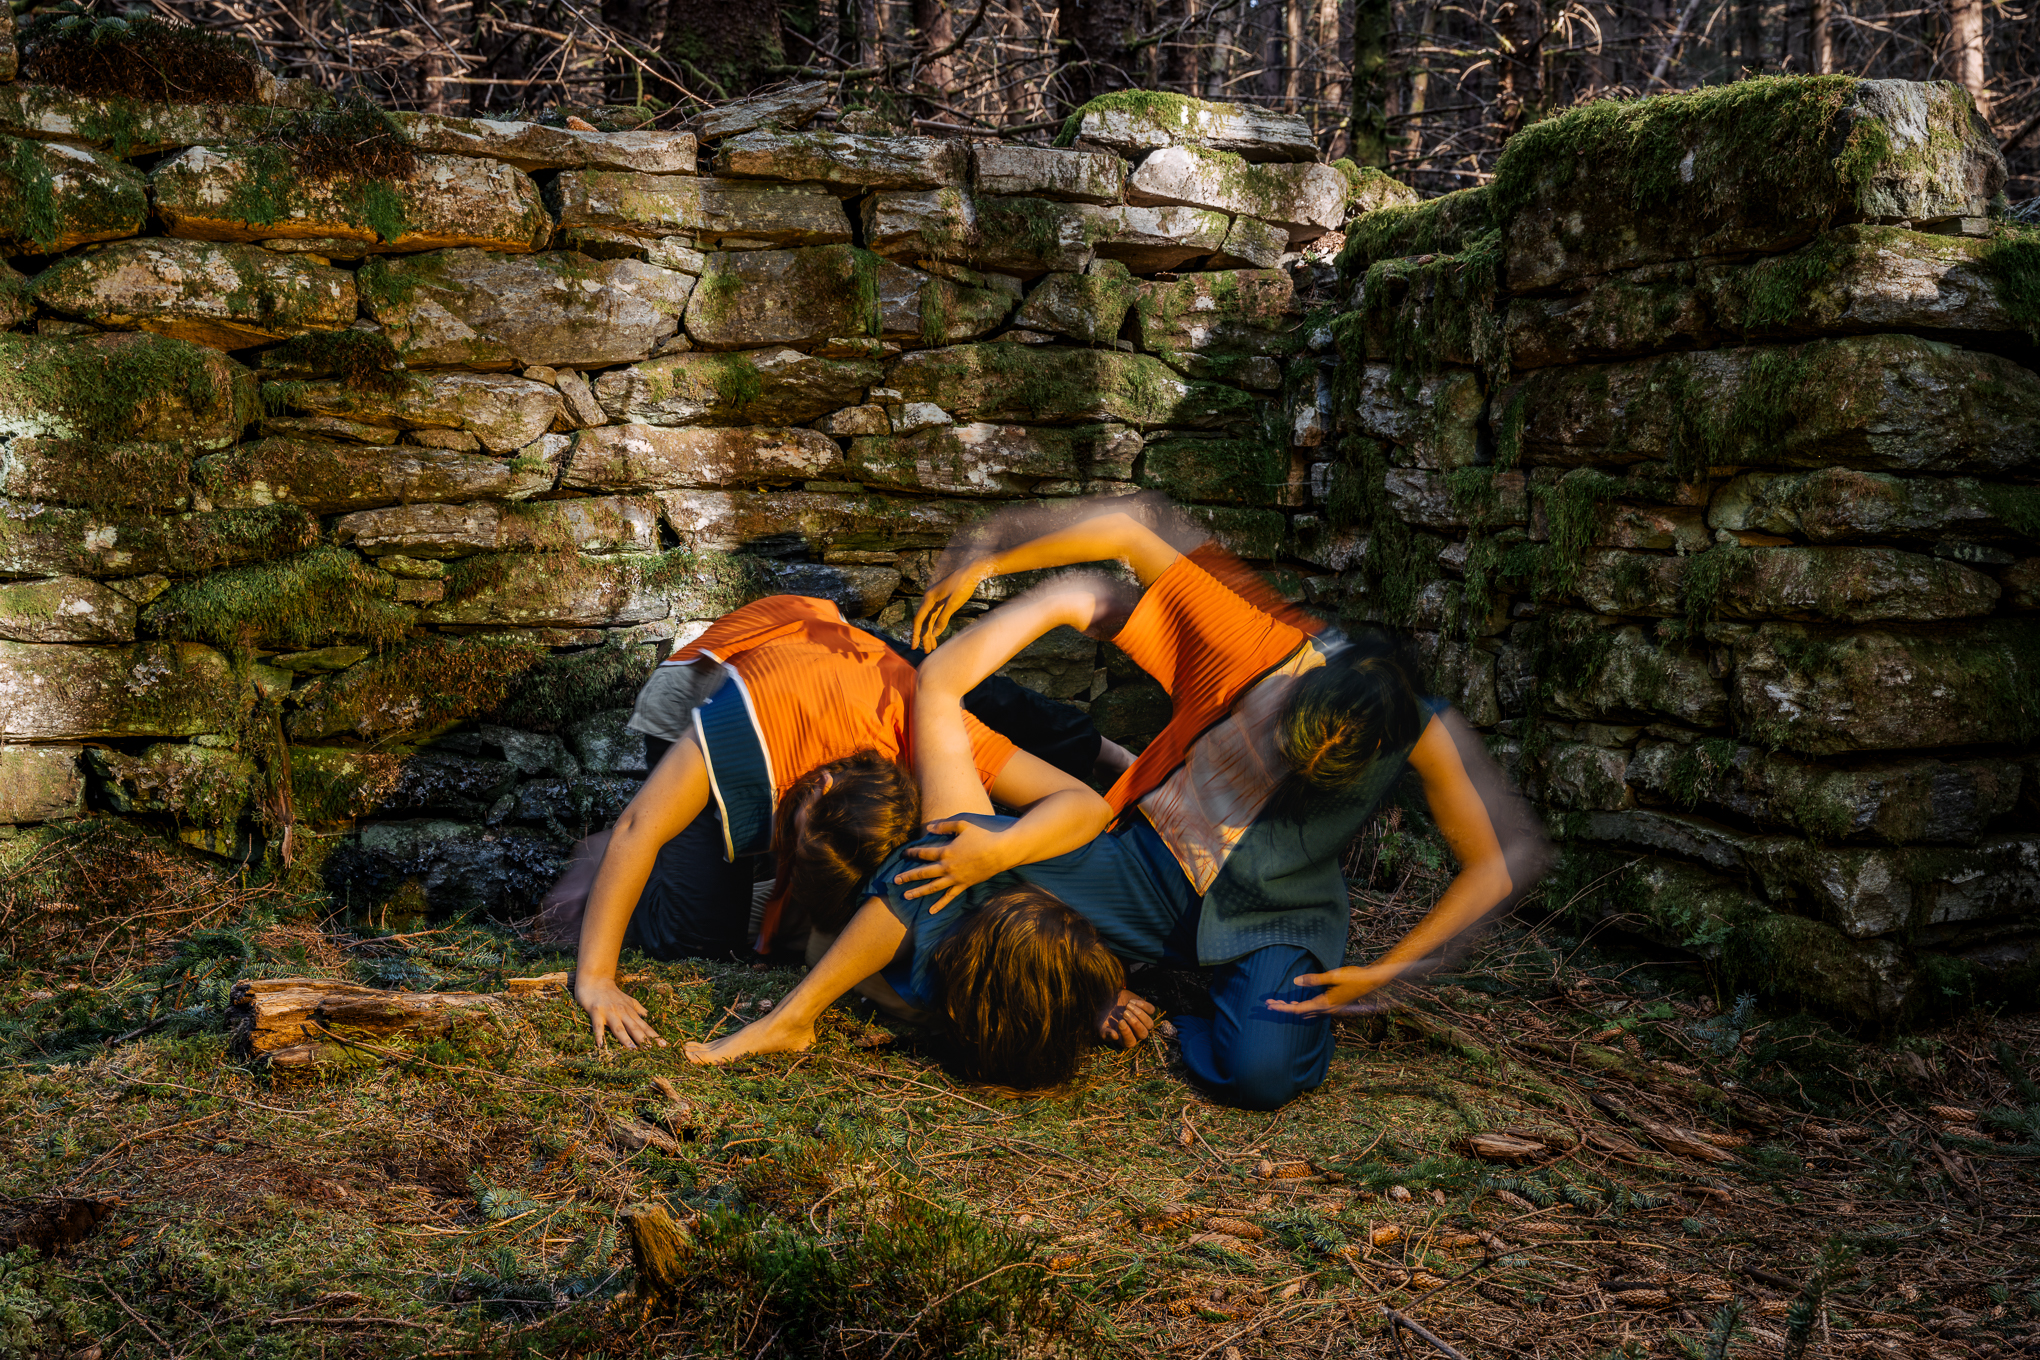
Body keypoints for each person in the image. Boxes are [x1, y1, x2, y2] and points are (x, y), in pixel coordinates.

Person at [689, 500, 1548, 1108]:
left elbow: (1495, 861)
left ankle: (1175, 995)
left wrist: (1389, 968)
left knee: (1259, 1077)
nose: (1301, 762)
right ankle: (794, 1017)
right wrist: (995, 554)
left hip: (1271, 921)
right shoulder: (1260, 638)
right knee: (952, 855)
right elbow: (1128, 529)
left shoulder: (1423, 729)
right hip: (1138, 867)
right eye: (1295, 736)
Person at [560, 593, 1119, 1051]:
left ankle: (780, 880)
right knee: (692, 939)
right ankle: (602, 857)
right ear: (813, 789)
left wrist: (1002, 850)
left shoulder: (929, 733)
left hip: (832, 690)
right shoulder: (746, 733)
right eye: (790, 839)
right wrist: (597, 978)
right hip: (712, 693)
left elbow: (1082, 804)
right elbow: (640, 827)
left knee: (833, 899)